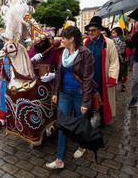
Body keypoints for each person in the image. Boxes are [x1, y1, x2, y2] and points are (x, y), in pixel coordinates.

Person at [46, 26, 97, 169]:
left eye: (63, 38)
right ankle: (59, 160)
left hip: (79, 93)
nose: (61, 40)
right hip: (64, 93)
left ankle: (82, 145)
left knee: (81, 122)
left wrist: (86, 101)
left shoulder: (85, 53)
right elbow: (58, 74)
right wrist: (55, 93)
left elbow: (87, 79)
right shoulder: (63, 53)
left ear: (72, 39)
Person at [84, 16, 119, 127]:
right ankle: (89, 119)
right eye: (89, 30)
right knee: (88, 99)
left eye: (93, 30)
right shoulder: (85, 42)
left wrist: (112, 77)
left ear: (99, 30)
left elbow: (114, 61)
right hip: (88, 78)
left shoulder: (108, 43)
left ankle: (102, 120)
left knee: (102, 99)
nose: (90, 32)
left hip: (102, 77)